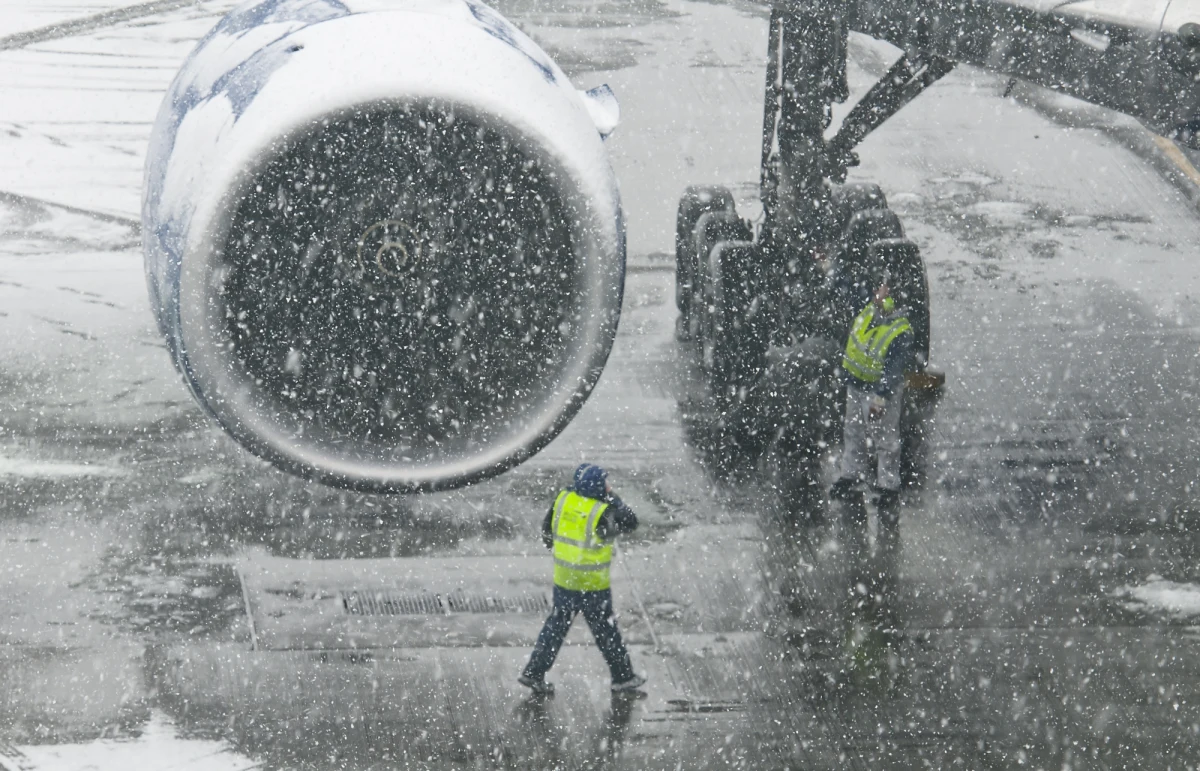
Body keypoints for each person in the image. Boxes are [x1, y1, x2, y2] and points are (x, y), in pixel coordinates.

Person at [519, 463, 647, 695]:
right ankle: (622, 677)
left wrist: (557, 549)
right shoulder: (603, 510)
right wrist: (613, 498)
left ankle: (533, 672)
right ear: (599, 487)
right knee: (606, 631)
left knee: (556, 627)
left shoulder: (564, 499)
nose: (608, 485)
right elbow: (630, 521)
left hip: (565, 578)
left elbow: (547, 530)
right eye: (605, 482)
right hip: (592, 584)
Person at [828, 280, 914, 525]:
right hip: (856, 383)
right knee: (853, 431)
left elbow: (894, 369)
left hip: (877, 390)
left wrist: (880, 397)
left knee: (884, 438)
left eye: (882, 290)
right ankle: (850, 475)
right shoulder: (870, 311)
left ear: (892, 298)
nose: (876, 293)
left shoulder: (900, 330)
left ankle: (889, 487)